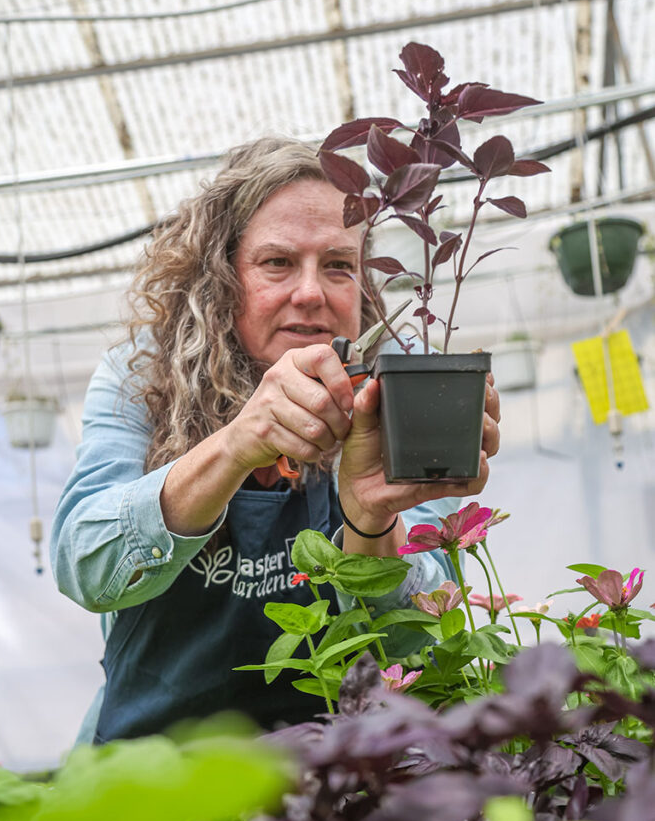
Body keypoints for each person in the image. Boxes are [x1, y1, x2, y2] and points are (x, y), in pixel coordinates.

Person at [51, 136, 500, 743]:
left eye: (339, 265)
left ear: (364, 287)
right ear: (222, 278)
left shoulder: (400, 391)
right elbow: (86, 567)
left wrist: (370, 521)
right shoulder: (144, 376)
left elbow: (414, 645)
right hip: (155, 781)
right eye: (277, 263)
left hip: (338, 775)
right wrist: (236, 446)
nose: (312, 292)